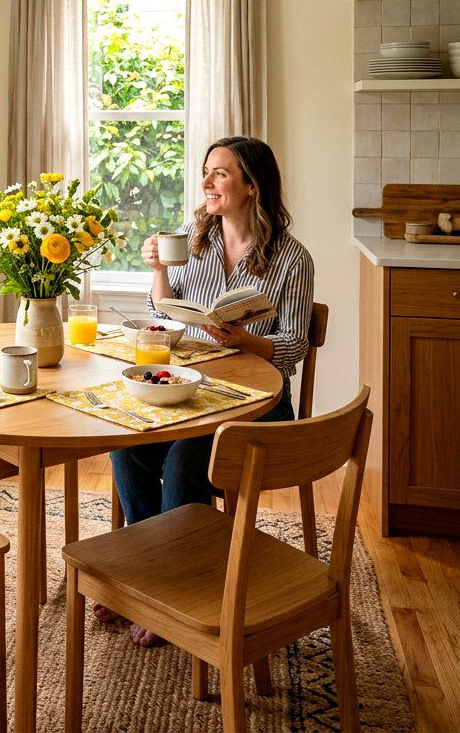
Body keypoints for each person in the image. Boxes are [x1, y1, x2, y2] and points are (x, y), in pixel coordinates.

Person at [96, 135, 314, 645]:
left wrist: (246, 341)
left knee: (182, 463)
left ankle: (180, 592)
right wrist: (158, 271)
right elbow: (161, 310)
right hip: (194, 389)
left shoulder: (292, 258)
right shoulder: (195, 238)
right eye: (207, 171)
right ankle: (147, 579)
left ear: (252, 186)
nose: (207, 182)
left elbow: (294, 346)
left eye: (220, 173)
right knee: (128, 448)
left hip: (259, 405)